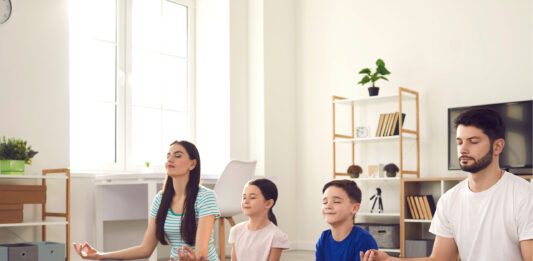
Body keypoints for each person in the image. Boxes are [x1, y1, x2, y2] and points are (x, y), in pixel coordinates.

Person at [360, 108, 533, 261]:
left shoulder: (524, 196)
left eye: (473, 142)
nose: (463, 149)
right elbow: (441, 259)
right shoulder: (450, 199)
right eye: (459, 142)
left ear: (498, 147)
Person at [73, 140, 221, 261]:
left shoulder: (205, 197)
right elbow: (145, 249)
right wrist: (100, 255)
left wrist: (192, 258)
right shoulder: (160, 199)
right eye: (168, 156)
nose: (170, 159)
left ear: (192, 164)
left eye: (177, 155)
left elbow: (201, 253)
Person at [228, 178, 290, 261]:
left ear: (268, 203)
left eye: (252, 197)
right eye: (244, 197)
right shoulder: (236, 230)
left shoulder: (276, 236)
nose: (246, 201)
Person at [316, 179, 378, 261]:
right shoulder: (324, 238)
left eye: (336, 201)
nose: (328, 206)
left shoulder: (363, 240)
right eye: (325, 202)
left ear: (354, 208)